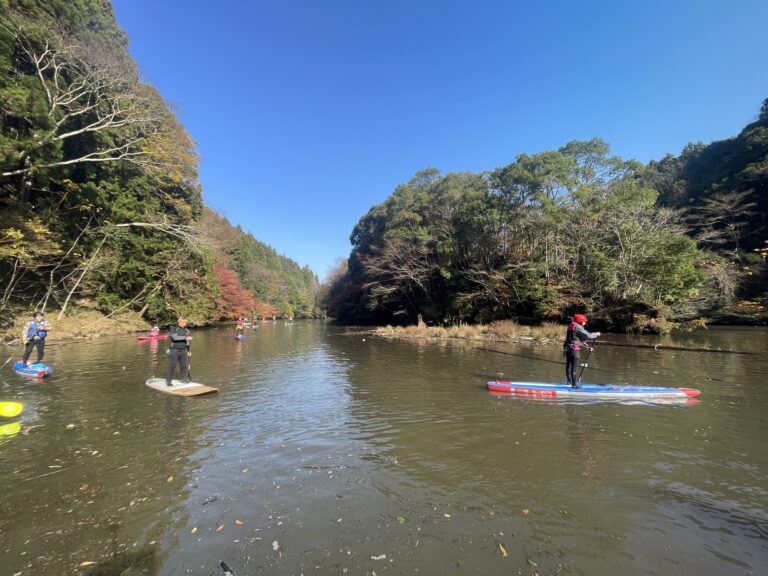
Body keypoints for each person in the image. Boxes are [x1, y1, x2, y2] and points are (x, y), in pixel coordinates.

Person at [564, 314, 600, 388]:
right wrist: (596, 334)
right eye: (584, 321)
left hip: (567, 348)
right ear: (580, 321)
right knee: (574, 366)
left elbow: (578, 340)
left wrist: (587, 347)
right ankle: (574, 385)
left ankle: (569, 382)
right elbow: (588, 335)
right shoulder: (578, 326)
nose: (585, 322)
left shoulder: (571, 325)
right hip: (574, 350)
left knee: (569, 365)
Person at [166, 317, 192, 386]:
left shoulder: (186, 330)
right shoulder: (173, 328)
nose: (184, 323)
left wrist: (188, 350)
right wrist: (185, 337)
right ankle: (168, 381)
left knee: (184, 366)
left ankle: (184, 379)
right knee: (172, 366)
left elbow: (187, 341)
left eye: (185, 322)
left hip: (184, 350)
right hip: (174, 350)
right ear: (179, 322)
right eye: (183, 322)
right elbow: (175, 338)